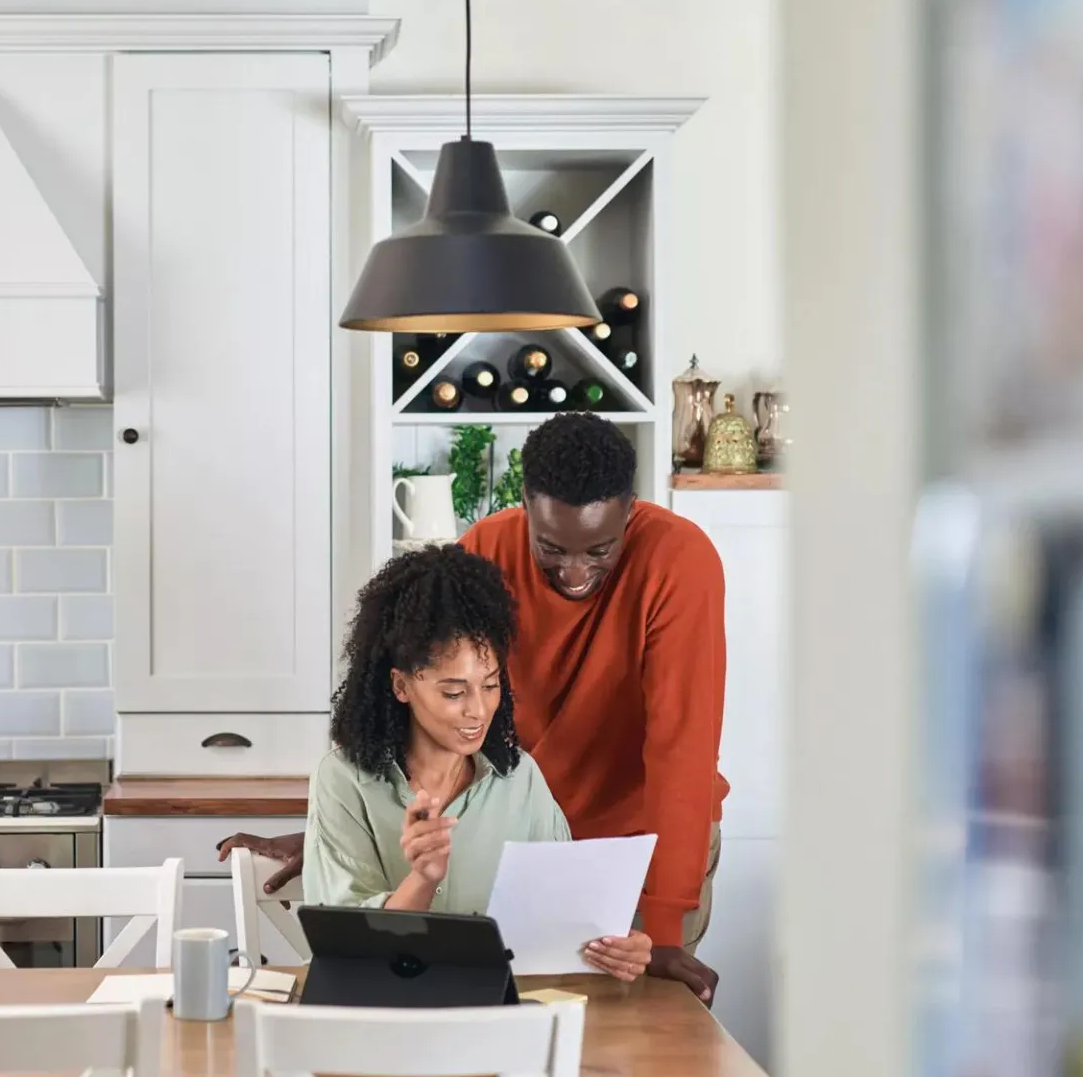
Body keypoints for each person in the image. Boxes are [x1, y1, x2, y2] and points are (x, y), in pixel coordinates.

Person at [221, 413, 727, 1002]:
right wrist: (346, 829)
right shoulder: (485, 551)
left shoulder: (680, 560)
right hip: (517, 831)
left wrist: (662, 928)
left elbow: (681, 749)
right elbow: (428, 696)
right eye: (552, 548)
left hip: (643, 843)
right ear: (526, 508)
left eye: (601, 550)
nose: (575, 572)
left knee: (638, 1030)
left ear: (630, 511)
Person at [299, 543, 653, 981]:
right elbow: (349, 951)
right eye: (453, 692)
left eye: (490, 685)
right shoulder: (343, 782)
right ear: (401, 686)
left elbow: (564, 922)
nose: (478, 710)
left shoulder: (520, 779)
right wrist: (423, 879)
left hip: (501, 1020)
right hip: (385, 1021)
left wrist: (617, 947)